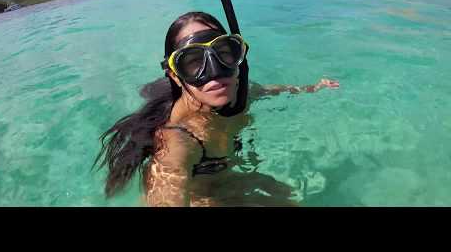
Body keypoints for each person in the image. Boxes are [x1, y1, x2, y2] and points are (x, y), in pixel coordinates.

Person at [93, 12, 339, 206]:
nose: (215, 72)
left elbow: (272, 90)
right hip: (203, 198)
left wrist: (313, 87)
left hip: (232, 178)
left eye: (223, 53)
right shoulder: (176, 142)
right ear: (176, 77)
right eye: (193, 62)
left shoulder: (241, 93)